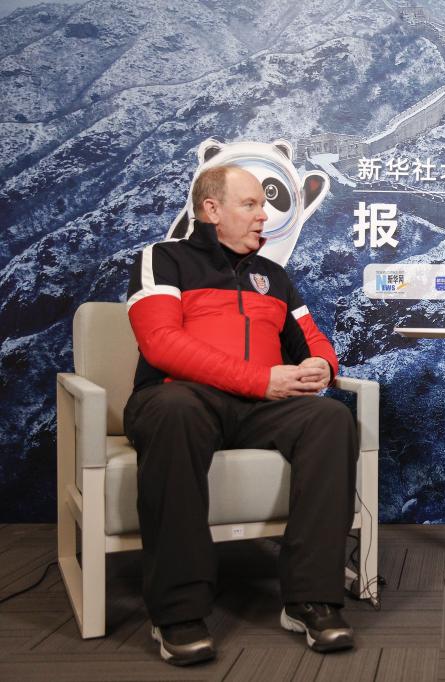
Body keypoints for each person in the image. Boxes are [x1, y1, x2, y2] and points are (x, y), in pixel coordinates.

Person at [124, 165, 358, 665]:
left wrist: (322, 365)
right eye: (250, 204)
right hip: (181, 399)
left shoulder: (274, 277)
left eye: (263, 205)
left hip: (258, 408)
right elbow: (161, 343)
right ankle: (178, 612)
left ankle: (311, 599)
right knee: (174, 408)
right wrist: (260, 380)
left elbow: (312, 340)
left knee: (330, 418)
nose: (264, 215)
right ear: (212, 209)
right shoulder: (163, 260)